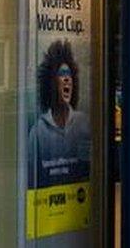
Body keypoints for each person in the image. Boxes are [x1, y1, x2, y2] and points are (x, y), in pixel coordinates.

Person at [28, 40, 91, 188]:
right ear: (51, 83)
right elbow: (32, 178)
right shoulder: (38, 133)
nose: (67, 78)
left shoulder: (84, 124)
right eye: (62, 74)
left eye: (69, 74)